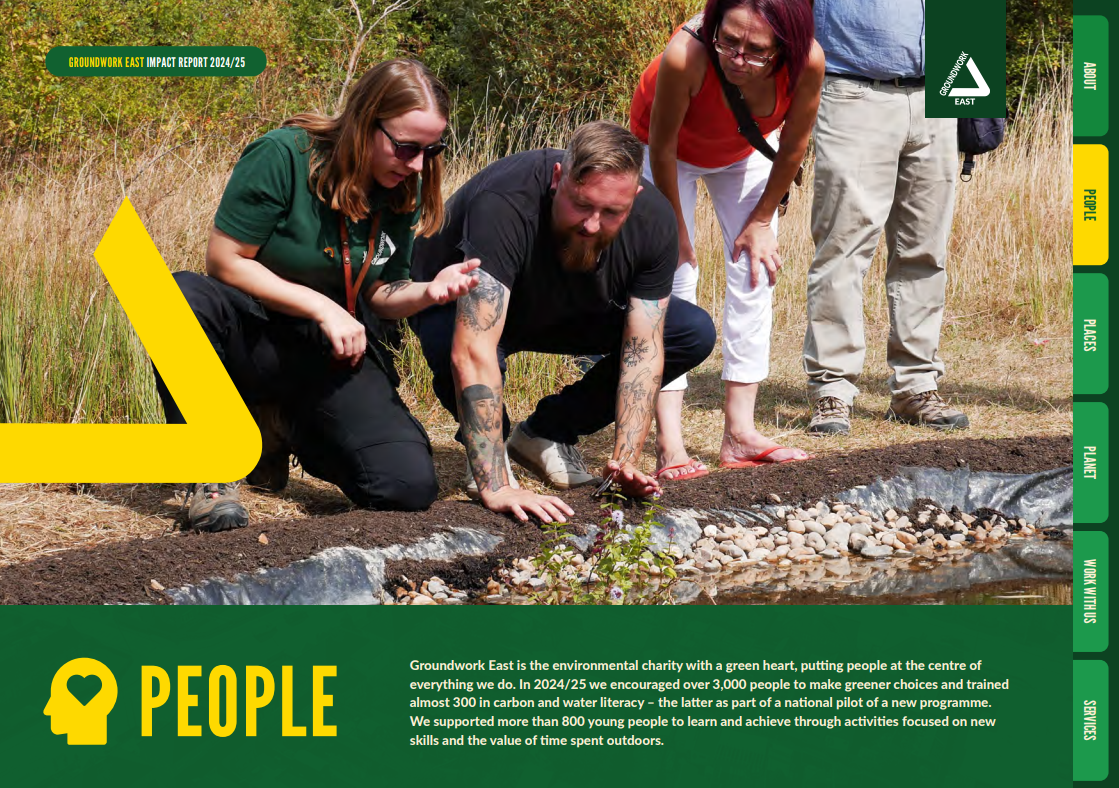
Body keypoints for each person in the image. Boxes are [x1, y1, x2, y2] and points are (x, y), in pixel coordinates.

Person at [156, 59, 481, 531]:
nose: (418, 164)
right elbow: (224, 261)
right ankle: (210, 471)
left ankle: (281, 428)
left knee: (406, 487)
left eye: (432, 150)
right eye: (407, 147)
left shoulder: (402, 184)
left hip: (328, 351)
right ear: (365, 121)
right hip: (253, 334)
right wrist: (322, 305)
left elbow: (380, 292)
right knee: (181, 297)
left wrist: (429, 291)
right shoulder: (282, 154)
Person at [409, 121, 717, 523]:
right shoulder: (506, 201)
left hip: (565, 306)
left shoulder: (654, 217)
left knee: (688, 331)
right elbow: (473, 349)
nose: (592, 224)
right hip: (453, 299)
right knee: (456, 335)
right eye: (582, 204)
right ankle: (490, 447)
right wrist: (496, 484)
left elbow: (644, 351)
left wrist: (624, 462)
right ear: (559, 178)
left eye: (611, 212)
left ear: (634, 197)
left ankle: (546, 432)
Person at [630, 0, 823, 479]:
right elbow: (665, 147)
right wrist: (674, 225)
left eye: (756, 50)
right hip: (667, 154)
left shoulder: (808, 62)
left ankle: (740, 432)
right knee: (674, 279)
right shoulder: (686, 55)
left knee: (757, 269)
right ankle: (669, 443)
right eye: (729, 42)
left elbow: (794, 145)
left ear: (785, 46)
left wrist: (761, 220)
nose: (738, 58)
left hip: (743, 152)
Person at [803, 0, 968, 435]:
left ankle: (916, 385)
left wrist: (974, 99)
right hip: (851, 90)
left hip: (941, 89)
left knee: (925, 250)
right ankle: (832, 390)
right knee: (843, 248)